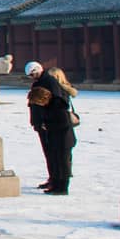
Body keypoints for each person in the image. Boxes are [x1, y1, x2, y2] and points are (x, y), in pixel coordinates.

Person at [44, 66, 78, 195]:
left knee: (63, 159)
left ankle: (62, 186)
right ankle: (56, 183)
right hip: (58, 128)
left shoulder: (59, 94)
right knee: (58, 158)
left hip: (63, 129)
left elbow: (59, 111)